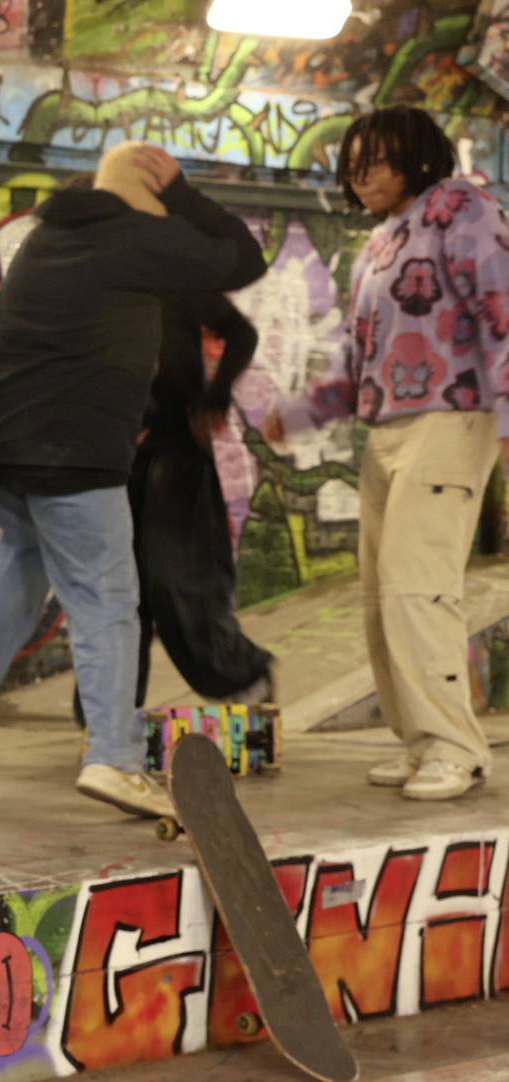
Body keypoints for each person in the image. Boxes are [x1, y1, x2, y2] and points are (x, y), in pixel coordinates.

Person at [0, 143, 266, 820]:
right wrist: (181, 195)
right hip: (66, 443)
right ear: (146, 197)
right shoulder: (136, 236)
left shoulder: (51, 234)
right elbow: (241, 255)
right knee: (108, 597)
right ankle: (113, 757)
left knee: (23, 548)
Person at [267, 108, 509, 801]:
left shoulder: (466, 210)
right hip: (389, 427)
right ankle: (418, 740)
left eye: (374, 160)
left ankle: (454, 749)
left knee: (415, 583)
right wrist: (301, 412)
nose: (358, 174)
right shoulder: (381, 244)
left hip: (453, 417)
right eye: (351, 163)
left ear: (415, 155)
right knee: (381, 594)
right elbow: (355, 361)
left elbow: (503, 313)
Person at [131, 292, 273, 705]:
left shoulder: (174, 277)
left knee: (178, 579)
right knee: (118, 591)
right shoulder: (94, 272)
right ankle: (110, 715)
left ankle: (241, 677)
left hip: (173, 450)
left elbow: (241, 334)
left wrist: (217, 394)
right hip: (115, 453)